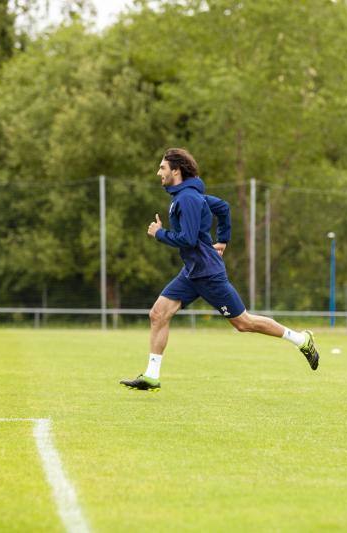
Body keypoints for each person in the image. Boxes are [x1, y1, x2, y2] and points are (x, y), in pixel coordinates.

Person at [120, 148, 319, 391]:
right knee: (158, 314)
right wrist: (222, 239)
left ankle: (301, 339)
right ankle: (151, 376)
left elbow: (189, 239)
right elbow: (223, 207)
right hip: (192, 271)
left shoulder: (187, 198)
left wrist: (159, 234)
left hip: (208, 273)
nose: (158, 172)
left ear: (176, 170)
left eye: (162, 167)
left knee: (244, 323)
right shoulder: (187, 196)